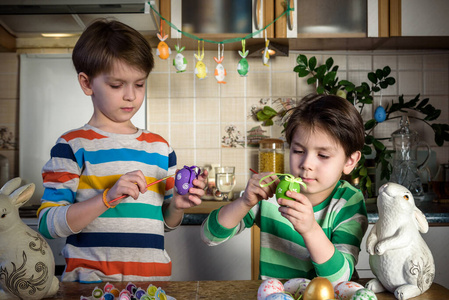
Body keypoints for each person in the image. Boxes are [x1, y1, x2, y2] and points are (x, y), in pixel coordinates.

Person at [36, 19, 207, 283]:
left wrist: (178, 207)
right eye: (117, 85)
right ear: (87, 83)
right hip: (91, 285)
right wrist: (107, 197)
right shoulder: (72, 146)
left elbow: (164, 224)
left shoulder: (161, 148)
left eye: (139, 84)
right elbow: (48, 225)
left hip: (150, 285)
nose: (131, 96)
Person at [201, 94, 368, 284]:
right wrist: (244, 202)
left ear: (350, 161)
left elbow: (339, 279)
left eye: (322, 155)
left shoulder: (349, 201)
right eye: (298, 151)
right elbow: (209, 236)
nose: (306, 164)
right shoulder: (271, 193)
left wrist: (310, 229)